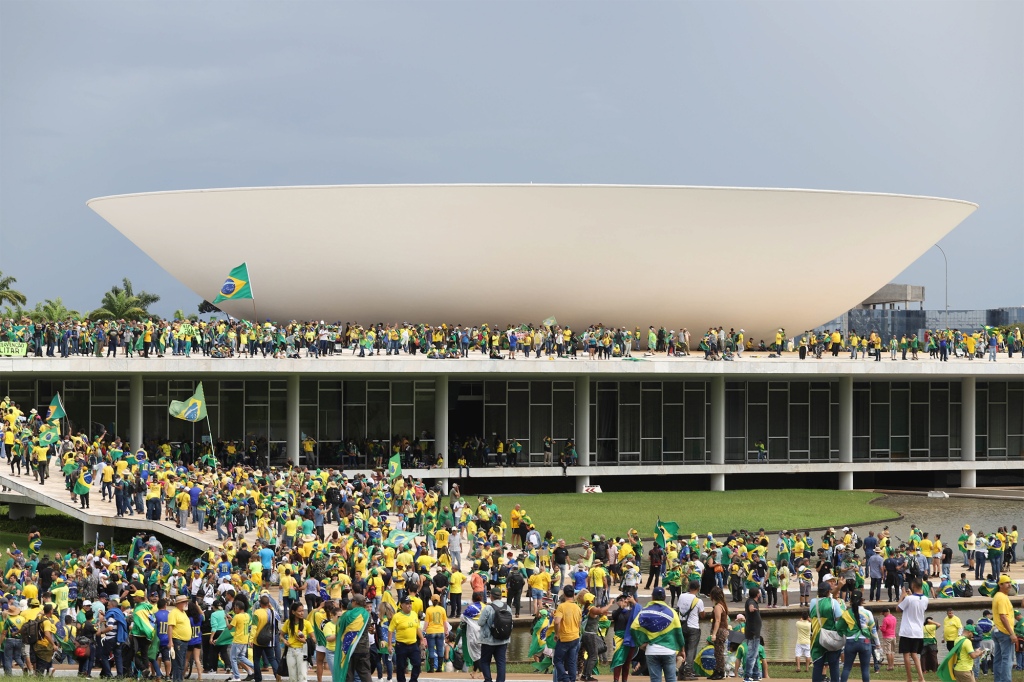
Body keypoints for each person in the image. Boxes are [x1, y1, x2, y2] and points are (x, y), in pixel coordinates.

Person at [630, 586, 685, 682]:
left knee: (655, 680)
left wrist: (640, 644)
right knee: (671, 679)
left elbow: (633, 628)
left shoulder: (645, 611)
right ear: (664, 597)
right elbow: (679, 633)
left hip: (651, 651)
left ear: (652, 597)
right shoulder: (672, 612)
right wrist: (682, 649)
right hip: (669, 651)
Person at [839, 590, 877, 682]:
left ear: (850, 601)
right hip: (865, 642)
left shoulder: (846, 613)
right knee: (865, 669)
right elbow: (873, 629)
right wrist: (877, 643)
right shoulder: (868, 613)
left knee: (847, 668)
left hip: (850, 642)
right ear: (862, 600)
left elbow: (839, 627)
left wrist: (846, 633)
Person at [477, 587, 511, 682]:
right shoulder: (507, 607)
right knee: (501, 662)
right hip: (503, 640)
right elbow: (511, 624)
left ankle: (488, 680)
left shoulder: (488, 608)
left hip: (488, 641)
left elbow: (480, 623)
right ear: (500, 596)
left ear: (491, 596)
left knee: (485, 661)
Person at [898, 577, 928, 682]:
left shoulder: (909, 599)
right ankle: (921, 677)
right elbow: (915, 603)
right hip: (918, 631)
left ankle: (909, 678)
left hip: (907, 631)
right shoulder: (925, 599)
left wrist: (902, 595)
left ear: (913, 586)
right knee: (915, 654)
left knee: (906, 654)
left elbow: (898, 608)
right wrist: (909, 595)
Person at [990, 575, 1019, 682]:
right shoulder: (1001, 597)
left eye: (1009, 582)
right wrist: (1011, 633)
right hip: (1004, 632)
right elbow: (1003, 616)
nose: (1009, 585)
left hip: (997, 630)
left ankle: (998, 680)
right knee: (1008, 660)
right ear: (1000, 585)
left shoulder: (998, 596)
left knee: (998, 659)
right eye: (1006, 583)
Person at [676, 579, 705, 681]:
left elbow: (678, 608)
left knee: (683, 649)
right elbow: (702, 614)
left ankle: (682, 671)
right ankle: (688, 671)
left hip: (682, 626)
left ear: (689, 587)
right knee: (691, 650)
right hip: (693, 627)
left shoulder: (681, 596)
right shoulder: (698, 600)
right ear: (698, 589)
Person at [388, 596, 422, 682]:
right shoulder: (397, 616)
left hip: (413, 644)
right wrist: (389, 645)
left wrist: (422, 638)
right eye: (407, 603)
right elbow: (390, 630)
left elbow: (417, 628)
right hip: (401, 645)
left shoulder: (414, 614)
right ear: (401, 605)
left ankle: (413, 680)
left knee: (417, 663)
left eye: (410, 603)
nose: (409, 605)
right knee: (401, 666)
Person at [552, 586, 583, 682]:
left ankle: (565, 679)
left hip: (565, 638)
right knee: (572, 661)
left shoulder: (562, 606)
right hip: (575, 637)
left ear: (564, 594)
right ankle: (572, 679)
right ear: (573, 594)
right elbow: (579, 623)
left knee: (557, 660)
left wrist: (557, 634)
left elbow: (557, 622)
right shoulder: (577, 607)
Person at [282, 601, 312, 682]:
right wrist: (284, 640)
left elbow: (314, 639)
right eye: (299, 611)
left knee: (302, 676)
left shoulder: (306, 623)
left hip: (302, 651)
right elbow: (281, 635)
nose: (302, 613)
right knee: (292, 677)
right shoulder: (288, 622)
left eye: (303, 611)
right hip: (290, 651)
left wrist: (305, 640)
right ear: (293, 612)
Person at [707, 587, 729, 680]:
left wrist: (714, 634)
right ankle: (717, 670)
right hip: (723, 630)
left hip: (720, 631)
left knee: (719, 652)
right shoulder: (723, 604)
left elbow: (718, 620)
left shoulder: (717, 607)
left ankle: (720, 671)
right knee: (717, 652)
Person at [741, 588, 762, 682]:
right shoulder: (751, 602)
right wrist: (751, 609)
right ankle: (747, 676)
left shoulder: (752, 601)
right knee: (752, 655)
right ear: (757, 594)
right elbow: (750, 606)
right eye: (759, 592)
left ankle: (755, 675)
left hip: (754, 632)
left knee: (755, 654)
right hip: (753, 632)